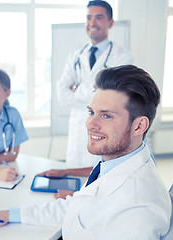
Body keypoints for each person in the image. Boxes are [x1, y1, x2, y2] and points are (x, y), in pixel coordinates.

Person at [0, 65, 173, 239]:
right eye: (91, 112)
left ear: (139, 126)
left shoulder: (138, 210)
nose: (90, 124)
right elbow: (77, 209)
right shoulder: (114, 163)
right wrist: (8, 214)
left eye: (107, 116)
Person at [57, 0, 133, 167]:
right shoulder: (76, 56)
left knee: (100, 180)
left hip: (104, 131)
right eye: (89, 17)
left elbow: (115, 101)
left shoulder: (122, 58)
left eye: (99, 17)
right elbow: (62, 94)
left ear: (110, 23)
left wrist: (76, 89)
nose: (92, 22)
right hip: (77, 131)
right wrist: (96, 91)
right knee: (74, 181)